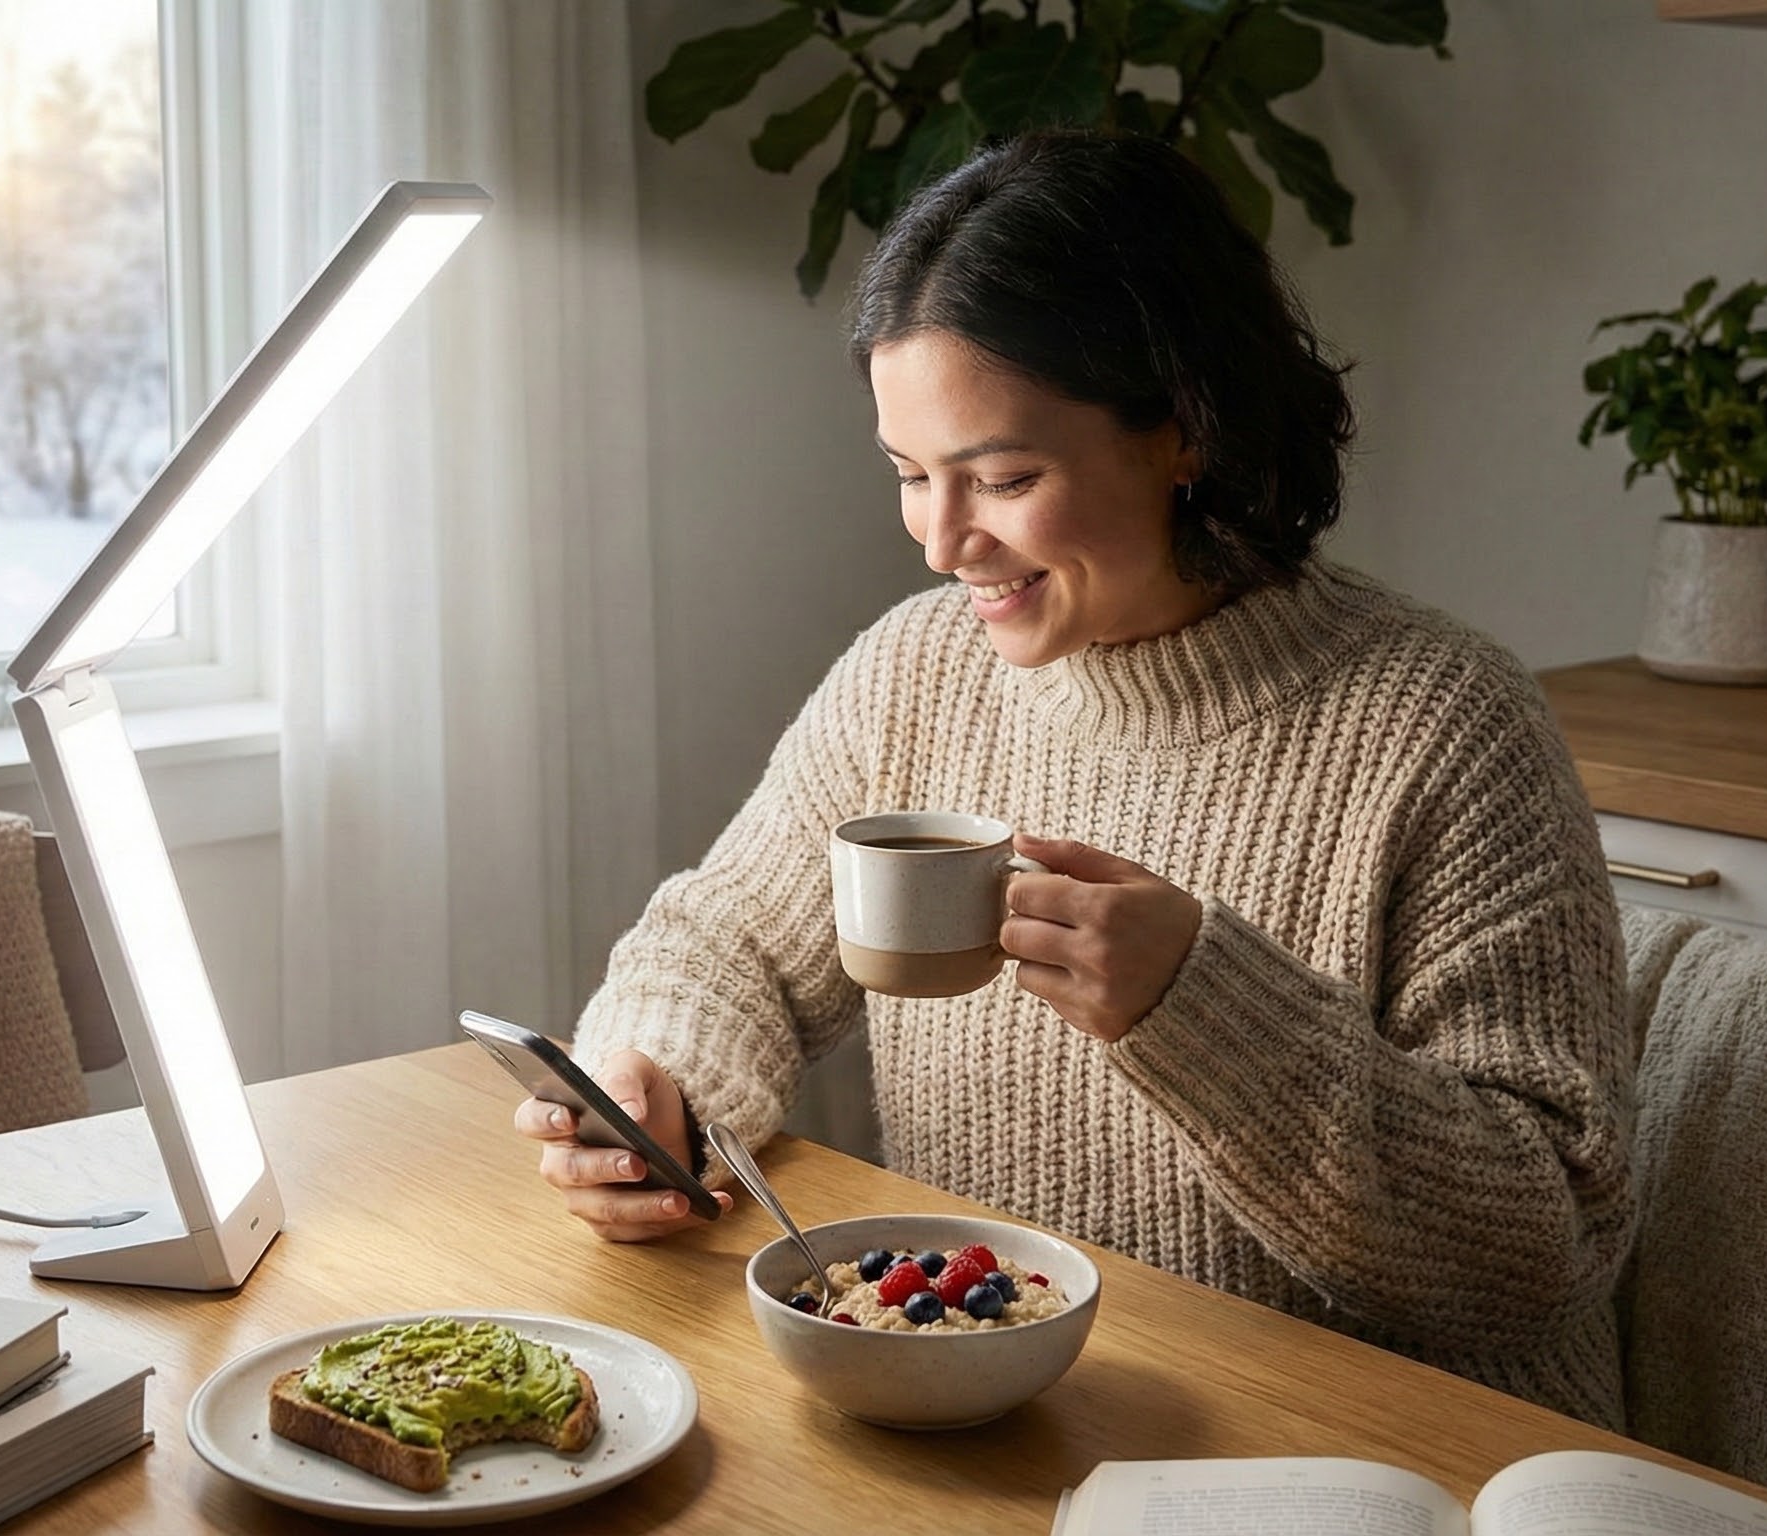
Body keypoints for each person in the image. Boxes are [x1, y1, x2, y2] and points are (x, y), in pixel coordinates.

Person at [512, 130, 1634, 1428]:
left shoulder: (1445, 722)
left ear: (1183, 429)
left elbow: (1550, 1246)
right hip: (1004, 1419)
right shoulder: (919, 674)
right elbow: (728, 945)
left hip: (1359, 1455)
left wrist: (1206, 1007)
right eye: (908, 477)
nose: (942, 542)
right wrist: (658, 1091)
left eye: (1002, 478)